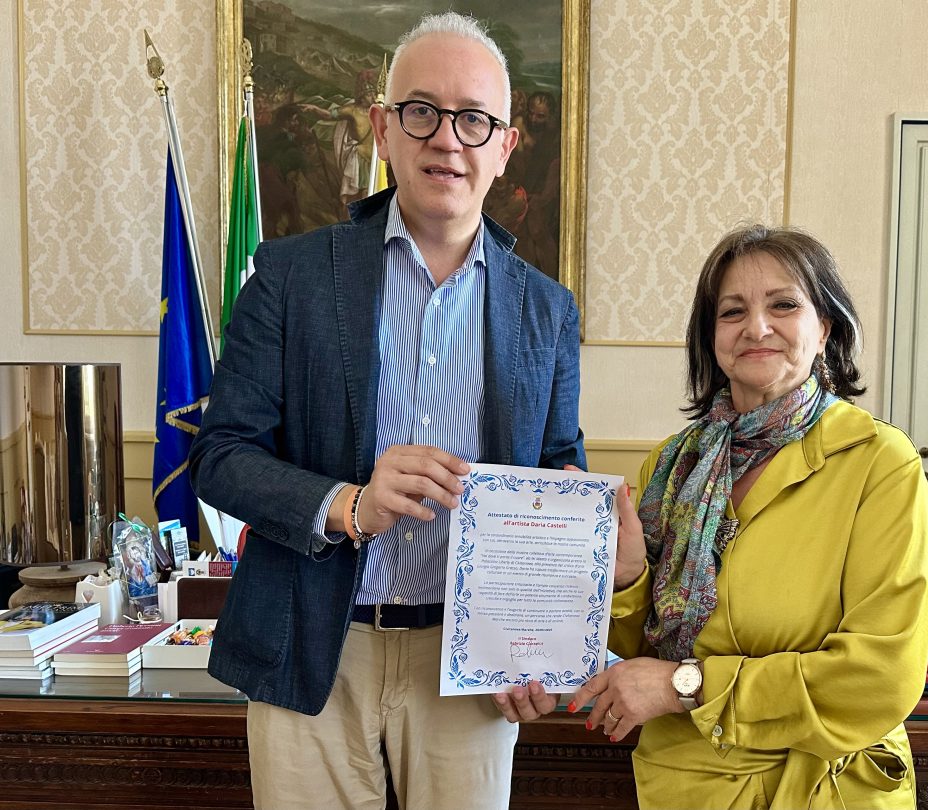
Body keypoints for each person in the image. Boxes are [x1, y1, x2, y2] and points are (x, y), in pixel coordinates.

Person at [189, 11, 584, 810]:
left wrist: (543, 634)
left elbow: (556, 471)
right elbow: (221, 455)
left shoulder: (546, 310)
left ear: (506, 146)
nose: (447, 139)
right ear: (382, 127)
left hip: (470, 667)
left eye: (474, 119)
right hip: (313, 649)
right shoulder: (290, 277)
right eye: (421, 111)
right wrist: (350, 505)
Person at [569, 225, 928, 809]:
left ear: (825, 329)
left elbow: (879, 677)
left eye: (784, 305)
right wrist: (628, 578)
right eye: (732, 311)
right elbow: (637, 652)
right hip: (684, 783)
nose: (756, 328)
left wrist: (689, 686)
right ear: (711, 337)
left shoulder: (880, 462)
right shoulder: (672, 465)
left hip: (825, 788)